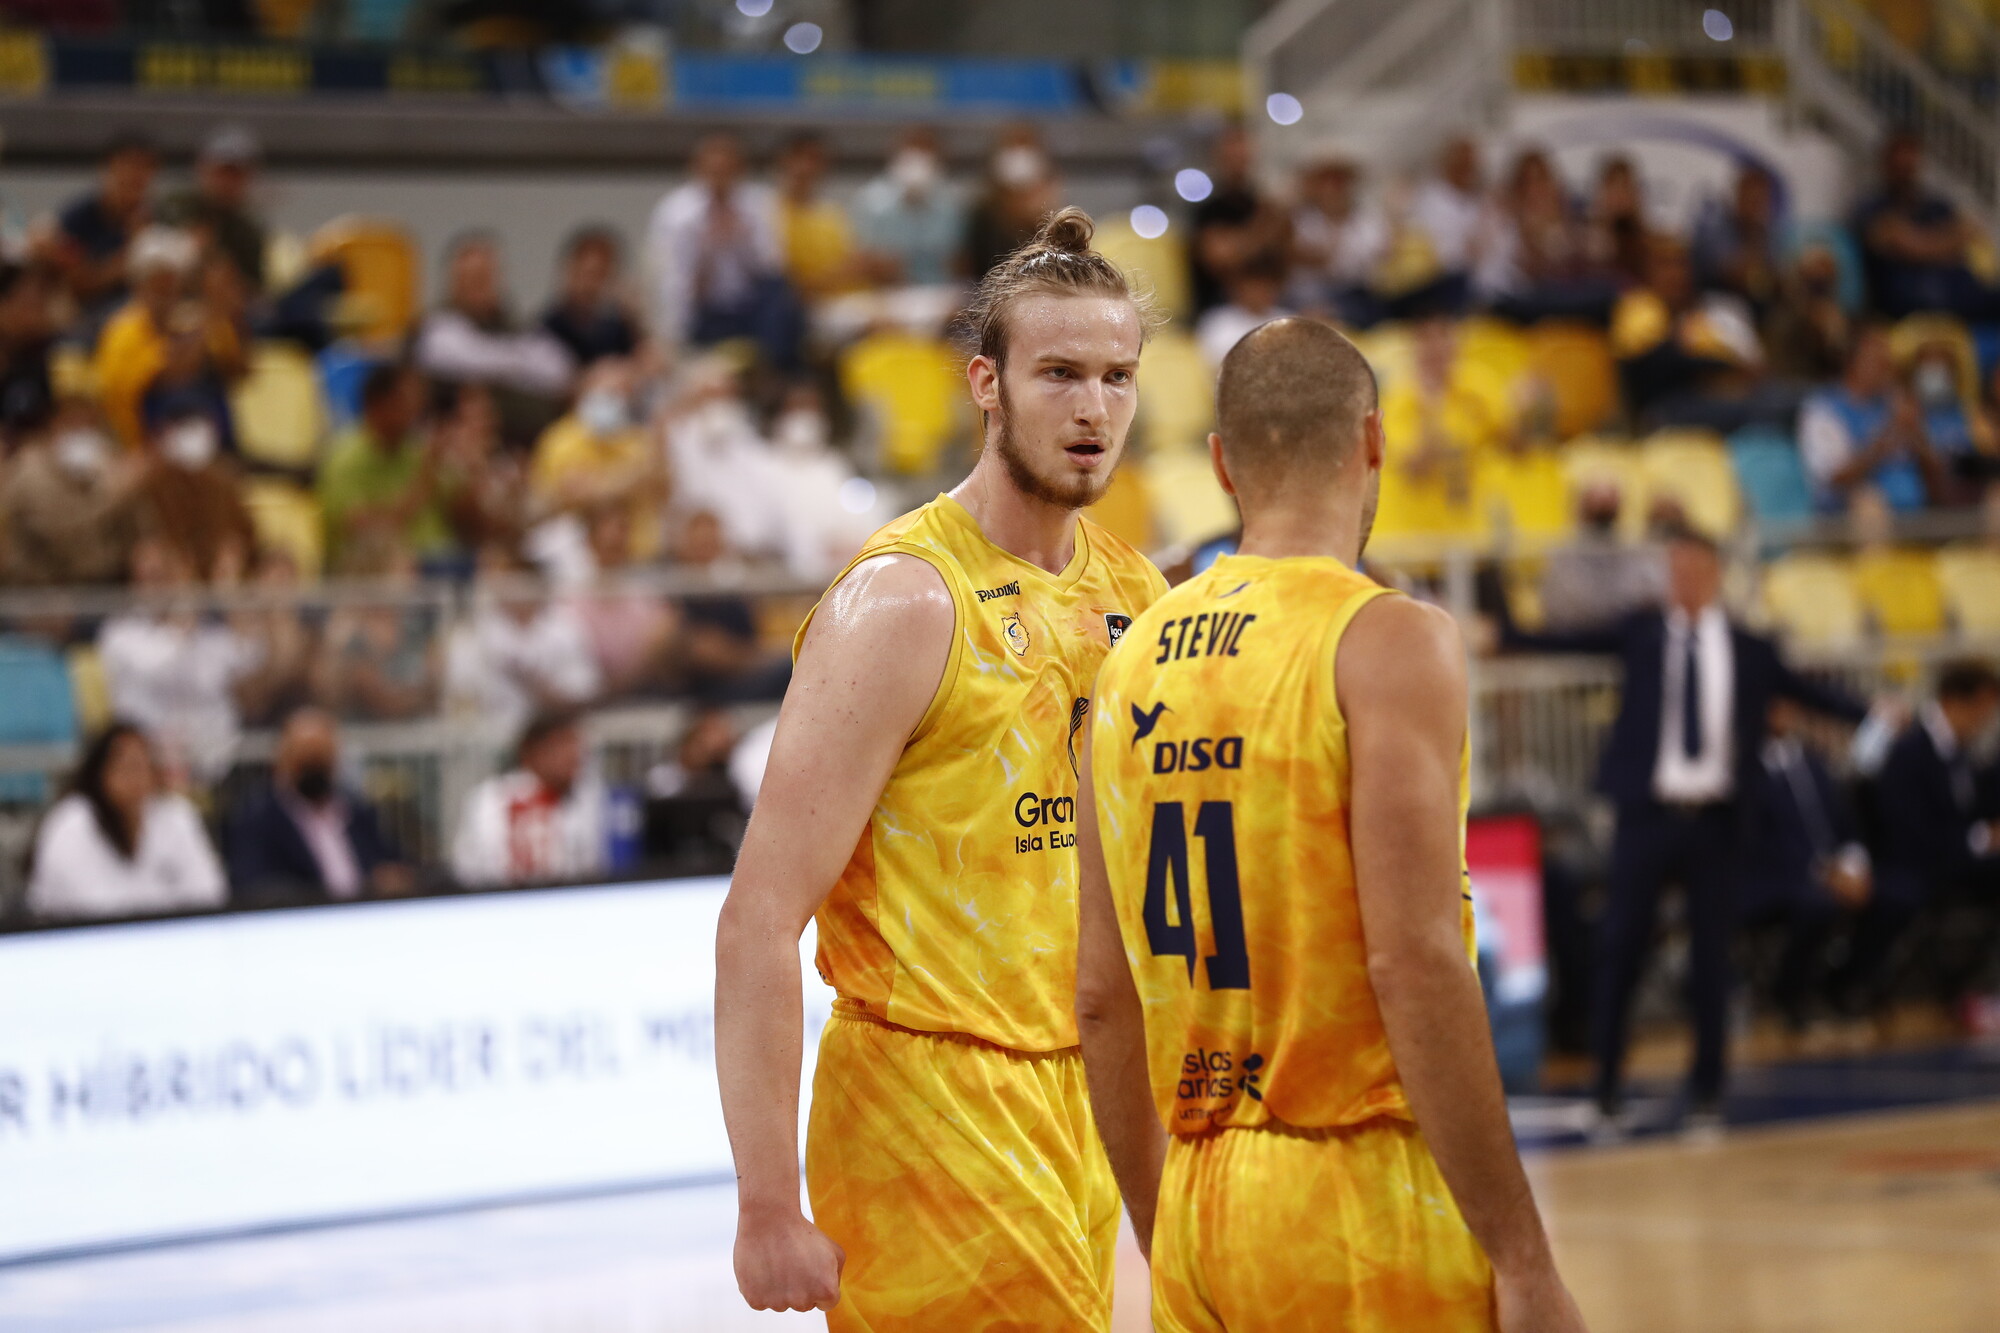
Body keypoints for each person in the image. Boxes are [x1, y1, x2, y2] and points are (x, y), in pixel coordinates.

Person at [1076, 317, 1586, 1332]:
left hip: (1198, 1198)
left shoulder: (1126, 664)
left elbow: (1098, 996)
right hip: (1359, 1195)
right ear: (1373, 441)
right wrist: (1523, 1257)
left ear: (1222, 465)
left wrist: (1163, 1228)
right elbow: (1413, 962)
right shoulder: (1386, 636)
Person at [715, 207, 1168, 1326]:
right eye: (1058, 373)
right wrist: (766, 1204)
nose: (1092, 408)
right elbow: (759, 916)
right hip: (925, 1102)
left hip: (1079, 1098)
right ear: (986, 384)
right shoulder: (904, 600)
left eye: (1116, 377)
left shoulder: (1135, 592)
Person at [1499, 525, 1871, 1129]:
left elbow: (1807, 691)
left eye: (1695, 569)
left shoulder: (1749, 646)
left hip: (1717, 821)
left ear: (1715, 573)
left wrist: (1877, 712)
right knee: (1621, 946)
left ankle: (1706, 1090)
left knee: (1711, 957)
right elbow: (1571, 640)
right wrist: (1505, 632)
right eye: (1676, 569)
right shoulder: (1643, 633)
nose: (1685, 580)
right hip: (1647, 816)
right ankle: (1605, 1085)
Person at [1837, 660, 2000, 1016]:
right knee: (1903, 895)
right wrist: (1981, 839)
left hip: (1952, 859)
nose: (1986, 721)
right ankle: (1853, 984)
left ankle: (1973, 984)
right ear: (1956, 702)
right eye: (1982, 711)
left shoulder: (1960, 751)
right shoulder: (1909, 749)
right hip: (1913, 863)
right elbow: (1908, 831)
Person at [1741, 697, 1873, 1033]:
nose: (1783, 712)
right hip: (1768, 879)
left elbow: (1844, 823)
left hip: (1827, 872)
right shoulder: (1743, 768)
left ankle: (1843, 986)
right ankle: (1790, 993)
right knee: (1817, 905)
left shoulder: (1813, 762)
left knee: (1890, 895)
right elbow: (1757, 844)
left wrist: (1853, 865)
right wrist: (1825, 874)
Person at [26, 721, 227, 921]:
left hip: (169, 935)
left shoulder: (176, 815)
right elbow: (90, 907)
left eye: (142, 765)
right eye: (126, 766)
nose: (135, 777)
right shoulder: (71, 822)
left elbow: (209, 892)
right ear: (100, 773)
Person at [225, 706, 413, 906]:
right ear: (283, 758)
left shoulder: (358, 812)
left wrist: (390, 879)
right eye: (306, 757)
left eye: (321, 756)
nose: (314, 767)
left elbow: (396, 864)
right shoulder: (258, 819)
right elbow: (253, 886)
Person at [643, 133, 800, 369]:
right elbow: (673, 282)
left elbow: (773, 266)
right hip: (705, 310)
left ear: (741, 170)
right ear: (696, 169)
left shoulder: (759, 203)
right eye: (713, 171)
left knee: (783, 298)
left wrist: (742, 240)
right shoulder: (676, 213)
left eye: (727, 170)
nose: (720, 179)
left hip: (750, 306)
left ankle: (780, 371)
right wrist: (706, 248)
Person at [415, 232, 575, 444]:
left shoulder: (513, 324)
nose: (479, 286)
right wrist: (520, 363)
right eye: (472, 278)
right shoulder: (436, 325)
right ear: (454, 281)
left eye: (485, 277)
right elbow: (463, 358)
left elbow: (558, 370)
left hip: (527, 444)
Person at [317, 361, 457, 571]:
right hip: (374, 576)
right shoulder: (345, 458)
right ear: (379, 403)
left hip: (441, 565)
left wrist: (476, 468)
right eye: (408, 400)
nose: (417, 409)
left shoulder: (418, 451)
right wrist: (424, 481)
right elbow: (366, 531)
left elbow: (467, 519)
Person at [1797, 324, 1949, 513]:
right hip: (1850, 515)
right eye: (1877, 360)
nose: (1886, 368)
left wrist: (1916, 432)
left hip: (1915, 511)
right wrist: (1887, 435)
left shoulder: (1897, 401)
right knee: (1868, 503)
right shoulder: (1824, 408)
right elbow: (1835, 478)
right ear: (1852, 361)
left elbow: (1939, 473)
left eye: (1887, 361)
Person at [528, 356, 668, 559]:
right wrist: (631, 478)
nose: (618, 400)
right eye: (610, 393)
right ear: (585, 393)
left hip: (638, 557)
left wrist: (604, 483)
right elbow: (573, 494)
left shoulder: (635, 439)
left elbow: (660, 484)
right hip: (580, 559)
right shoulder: (560, 440)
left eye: (625, 394)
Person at [450, 707, 608, 887]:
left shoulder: (590, 800)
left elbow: (595, 867)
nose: (573, 755)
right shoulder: (491, 799)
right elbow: (468, 867)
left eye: (575, 746)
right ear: (531, 751)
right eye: (561, 745)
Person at [0, 392, 146, 585]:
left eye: (89, 423)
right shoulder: (32, 470)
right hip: (45, 591)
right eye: (73, 422)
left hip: (94, 585)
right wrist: (116, 492)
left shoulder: (85, 466)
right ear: (53, 424)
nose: (82, 433)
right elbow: (68, 532)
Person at [1851, 129, 1997, 319]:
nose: (1906, 169)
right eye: (1899, 164)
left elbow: (1971, 233)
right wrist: (1947, 243)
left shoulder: (1935, 205)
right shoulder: (1870, 207)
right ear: (1885, 164)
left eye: (1910, 163)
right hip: (1906, 300)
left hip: (1953, 292)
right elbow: (1906, 245)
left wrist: (1922, 241)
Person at [39, 130, 157, 329]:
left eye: (144, 167)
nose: (135, 175)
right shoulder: (78, 217)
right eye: (128, 164)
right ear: (107, 167)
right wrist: (133, 251)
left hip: (137, 316)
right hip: (85, 316)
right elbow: (79, 286)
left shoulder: (156, 219)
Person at [134, 402, 257, 581]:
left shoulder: (225, 482)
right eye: (184, 427)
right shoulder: (147, 483)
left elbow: (247, 538)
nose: (192, 437)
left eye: (197, 426)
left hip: (215, 583)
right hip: (167, 581)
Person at [1537, 481, 1666, 630]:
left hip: (1625, 636)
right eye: (1597, 508)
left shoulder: (1633, 553)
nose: (1603, 514)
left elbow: (1646, 596)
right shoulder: (1562, 555)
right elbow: (1567, 606)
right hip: (1574, 636)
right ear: (1581, 509)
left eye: (1609, 509)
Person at [851, 126, 965, 290]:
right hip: (886, 293)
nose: (918, 160)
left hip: (939, 293)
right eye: (911, 150)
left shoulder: (952, 204)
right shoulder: (870, 201)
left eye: (925, 151)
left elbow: (958, 264)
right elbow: (860, 260)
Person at [538, 225, 641, 368]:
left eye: (603, 275)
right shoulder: (548, 330)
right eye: (588, 274)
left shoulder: (614, 328)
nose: (592, 285)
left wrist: (633, 320)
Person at [1194, 250, 1293, 370]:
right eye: (1253, 286)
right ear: (1237, 287)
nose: (1259, 293)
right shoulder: (1217, 322)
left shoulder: (1289, 321)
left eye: (1266, 286)